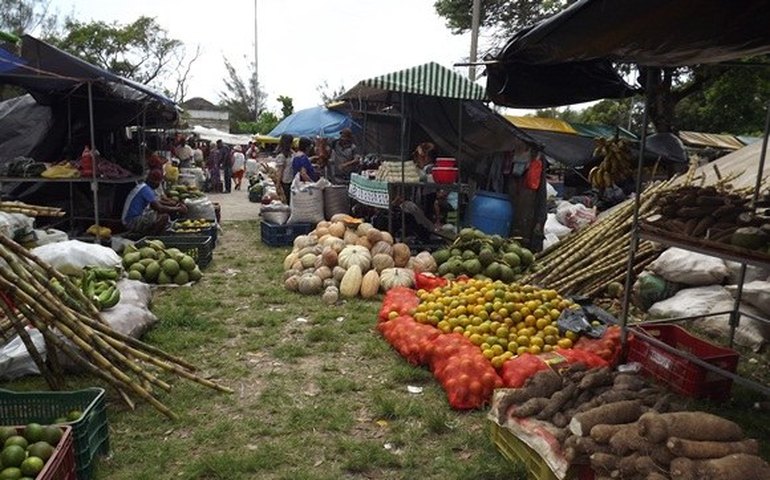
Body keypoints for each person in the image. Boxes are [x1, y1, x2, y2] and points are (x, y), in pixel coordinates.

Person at [122, 169, 187, 236]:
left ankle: (149, 233)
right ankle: (151, 236)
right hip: (132, 221)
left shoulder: (143, 187)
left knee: (158, 215)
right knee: (164, 217)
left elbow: (157, 203)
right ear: (155, 182)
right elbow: (160, 208)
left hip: (129, 220)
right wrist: (178, 209)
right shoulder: (146, 190)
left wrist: (175, 205)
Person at [275, 134, 295, 203]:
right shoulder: (282, 156)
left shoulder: (290, 154)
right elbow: (280, 172)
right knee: (287, 201)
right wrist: (278, 185)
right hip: (286, 182)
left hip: (290, 180)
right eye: (291, 142)